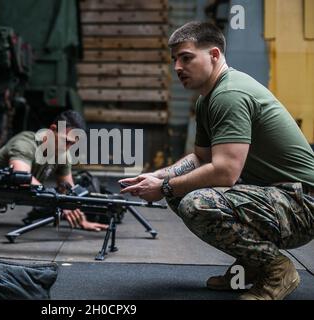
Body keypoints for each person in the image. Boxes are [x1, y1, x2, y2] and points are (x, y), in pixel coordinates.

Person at [119, 21, 314, 300]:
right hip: (277, 196)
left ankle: (276, 269)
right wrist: (159, 177)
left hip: (303, 205)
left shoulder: (229, 94)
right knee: (178, 190)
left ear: (213, 55)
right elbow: (202, 158)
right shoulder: (207, 99)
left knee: (195, 202)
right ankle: (252, 264)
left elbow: (225, 172)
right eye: (174, 59)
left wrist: (164, 188)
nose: (177, 67)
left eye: (186, 58)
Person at [0, 110, 108, 232]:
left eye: (72, 144)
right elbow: (22, 179)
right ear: (52, 130)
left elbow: (67, 190)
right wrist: (58, 201)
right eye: (66, 141)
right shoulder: (25, 144)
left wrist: (80, 218)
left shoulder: (62, 154)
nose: (68, 148)